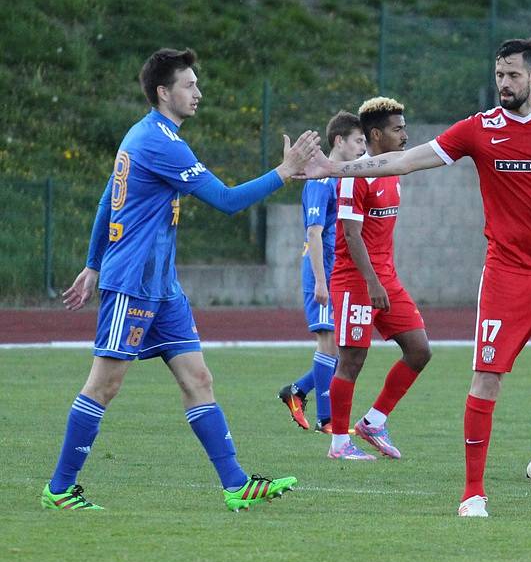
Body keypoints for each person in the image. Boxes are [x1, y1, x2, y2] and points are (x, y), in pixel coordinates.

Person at [304, 39, 531, 516]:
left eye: (513, 75)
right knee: (485, 381)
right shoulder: (480, 129)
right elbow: (404, 161)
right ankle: (473, 492)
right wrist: (335, 167)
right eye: (499, 76)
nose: (504, 84)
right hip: (507, 278)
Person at [43, 48, 320, 511]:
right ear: (163, 92)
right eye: (189, 85)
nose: (198, 92)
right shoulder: (158, 141)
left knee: (199, 379)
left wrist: (91, 263)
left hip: (162, 285)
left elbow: (105, 200)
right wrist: (284, 172)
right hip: (132, 280)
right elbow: (227, 201)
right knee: (103, 385)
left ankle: (235, 484)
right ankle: (59, 488)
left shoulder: (148, 136)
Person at [326, 96, 432, 461]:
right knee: (352, 360)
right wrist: (371, 283)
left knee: (419, 350)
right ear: (376, 134)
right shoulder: (354, 175)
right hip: (356, 281)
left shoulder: (394, 171)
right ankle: (339, 444)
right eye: (397, 129)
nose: (405, 135)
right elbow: (352, 235)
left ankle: (373, 422)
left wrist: (382, 280)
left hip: (386, 278)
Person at [278, 111, 367, 433]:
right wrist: (320, 280)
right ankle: (327, 419)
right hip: (323, 271)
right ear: (339, 141)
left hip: (338, 271)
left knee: (340, 348)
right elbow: (313, 233)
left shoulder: (345, 179)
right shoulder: (321, 181)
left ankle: (298, 391)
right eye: (358, 140)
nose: (362, 147)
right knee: (328, 343)